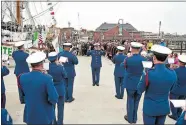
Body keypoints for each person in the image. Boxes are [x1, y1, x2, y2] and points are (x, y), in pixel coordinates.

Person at [137, 44, 177, 125]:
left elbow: (140, 89)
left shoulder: (149, 73)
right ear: (166, 58)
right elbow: (172, 89)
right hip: (163, 107)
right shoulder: (173, 73)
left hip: (150, 108)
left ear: (154, 58)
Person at [19, 51, 59, 124]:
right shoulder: (47, 78)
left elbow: (22, 97)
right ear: (42, 64)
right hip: (44, 115)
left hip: (30, 113)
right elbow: (54, 98)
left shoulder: (22, 77)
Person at [122, 42, 146, 124]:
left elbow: (122, 65)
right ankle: (134, 118)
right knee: (137, 101)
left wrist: (126, 58)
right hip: (140, 82)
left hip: (130, 82)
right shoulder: (144, 59)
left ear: (131, 48)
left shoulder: (128, 58)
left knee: (130, 100)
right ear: (139, 49)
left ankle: (130, 118)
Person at [47, 52, 67, 124]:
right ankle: (60, 122)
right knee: (60, 108)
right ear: (56, 58)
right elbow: (65, 75)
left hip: (51, 90)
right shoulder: (60, 67)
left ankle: (53, 122)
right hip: (60, 89)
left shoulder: (47, 67)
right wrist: (61, 66)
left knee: (52, 107)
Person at [169, 54, 186, 120]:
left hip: (175, 90)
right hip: (184, 90)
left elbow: (172, 80)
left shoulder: (175, 71)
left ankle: (174, 115)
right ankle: (178, 114)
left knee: (173, 103)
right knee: (181, 103)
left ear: (179, 61)